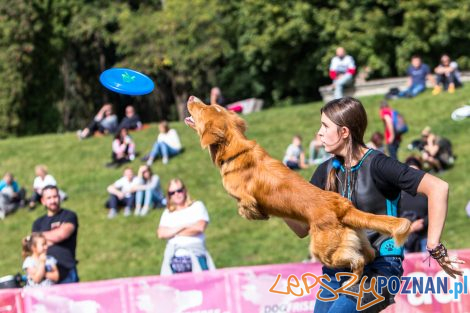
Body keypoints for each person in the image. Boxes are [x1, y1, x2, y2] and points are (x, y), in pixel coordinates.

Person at [284, 97, 464, 312]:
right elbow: (302, 228)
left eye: (325, 126)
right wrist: (276, 205)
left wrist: (434, 245)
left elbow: (438, 188)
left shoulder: (378, 164)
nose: (319, 132)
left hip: (381, 268)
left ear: (344, 132)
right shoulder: (324, 171)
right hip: (337, 271)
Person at [157, 178, 216, 275]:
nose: (176, 194)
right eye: (172, 192)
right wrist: (184, 226)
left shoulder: (197, 206)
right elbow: (161, 233)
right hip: (175, 258)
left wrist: (172, 232)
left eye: (179, 190)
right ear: (169, 195)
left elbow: (199, 227)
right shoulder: (167, 213)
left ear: (184, 190)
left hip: (196, 255)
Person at [32, 185, 79, 284]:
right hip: (45, 273)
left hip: (67, 271)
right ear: (43, 201)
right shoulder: (38, 223)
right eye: (49, 198)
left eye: (55, 196)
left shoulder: (69, 215)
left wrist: (42, 237)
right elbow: (35, 245)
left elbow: (62, 234)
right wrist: (52, 236)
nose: (53, 200)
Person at [400, 157, 428, 253]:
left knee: (428, 266)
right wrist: (410, 229)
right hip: (404, 238)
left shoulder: (426, 192)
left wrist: (423, 223)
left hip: (424, 237)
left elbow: (435, 213)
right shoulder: (398, 193)